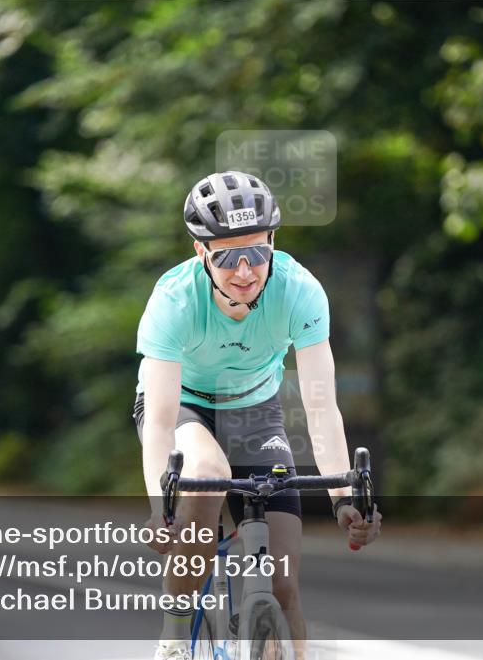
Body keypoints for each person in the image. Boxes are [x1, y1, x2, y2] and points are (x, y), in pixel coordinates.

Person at [134, 171, 382, 660]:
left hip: (256, 412)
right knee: (206, 474)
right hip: (185, 405)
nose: (245, 270)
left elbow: (319, 405)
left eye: (258, 253)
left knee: (284, 588)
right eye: (227, 256)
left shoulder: (300, 291)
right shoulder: (173, 300)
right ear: (200, 252)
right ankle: (176, 628)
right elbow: (161, 423)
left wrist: (342, 498)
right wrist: (161, 509)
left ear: (274, 242)